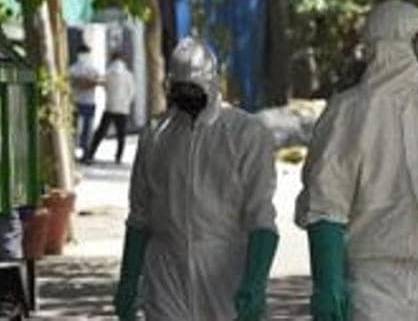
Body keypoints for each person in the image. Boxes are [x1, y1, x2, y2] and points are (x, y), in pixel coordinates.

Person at [295, 0, 418, 321]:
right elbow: (325, 204)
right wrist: (328, 283)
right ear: (391, 46)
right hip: (369, 291)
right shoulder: (348, 114)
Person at [114, 37, 279, 321]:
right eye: (180, 89)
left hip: (225, 273)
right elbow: (140, 214)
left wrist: (254, 283)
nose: (187, 96)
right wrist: (129, 280)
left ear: (212, 84)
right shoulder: (156, 135)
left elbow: (261, 218)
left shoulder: (245, 134)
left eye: (194, 88)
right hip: (166, 272)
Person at [83, 51, 135, 164]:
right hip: (123, 108)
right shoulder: (128, 74)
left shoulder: (108, 73)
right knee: (121, 134)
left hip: (110, 107)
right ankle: (118, 157)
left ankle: (91, 153)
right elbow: (132, 92)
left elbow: (102, 84)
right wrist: (126, 102)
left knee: (100, 132)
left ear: (112, 58)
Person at [70, 44, 100, 158]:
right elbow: (96, 82)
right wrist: (88, 82)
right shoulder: (93, 70)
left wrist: (80, 82)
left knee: (75, 128)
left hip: (76, 101)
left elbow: (74, 82)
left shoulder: (73, 69)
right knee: (87, 129)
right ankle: (85, 152)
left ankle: (75, 151)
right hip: (88, 102)